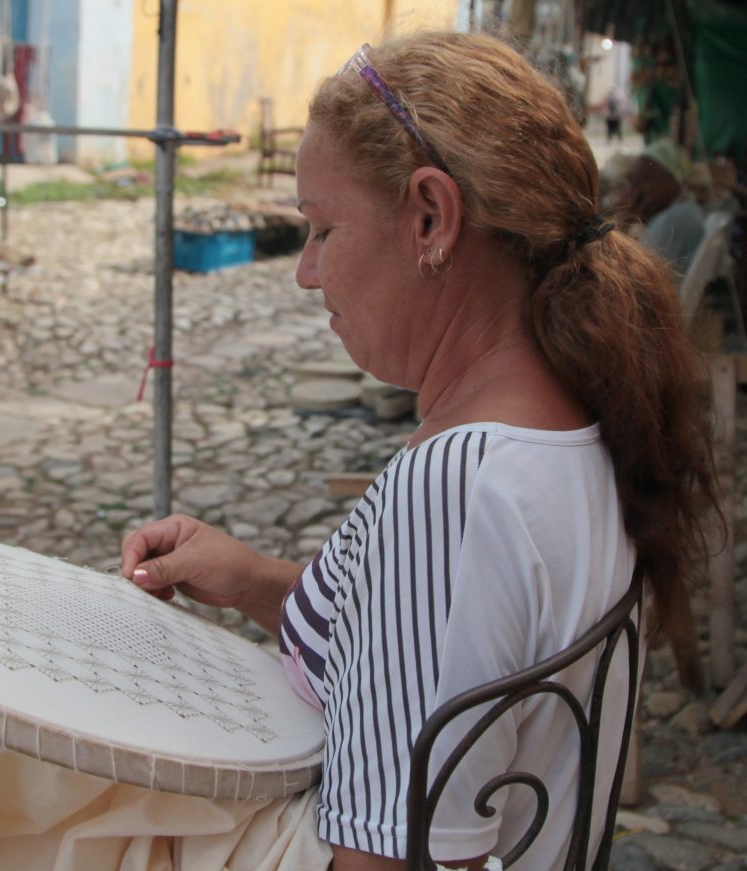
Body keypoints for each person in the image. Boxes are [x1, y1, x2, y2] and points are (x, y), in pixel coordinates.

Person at [120, 31, 717, 871]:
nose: (307, 271)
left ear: (431, 217)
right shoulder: (569, 420)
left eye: (323, 229)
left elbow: (396, 857)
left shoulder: (455, 491)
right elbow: (447, 646)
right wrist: (258, 580)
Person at [621, 137, 706, 277]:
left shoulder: (675, 219)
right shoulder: (683, 208)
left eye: (643, 179)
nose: (636, 192)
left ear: (673, 181)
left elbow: (638, 278)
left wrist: (625, 220)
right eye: (633, 183)